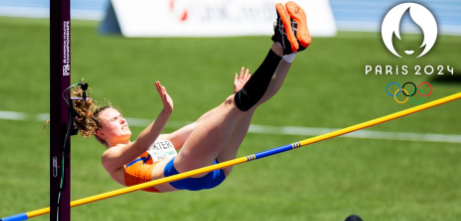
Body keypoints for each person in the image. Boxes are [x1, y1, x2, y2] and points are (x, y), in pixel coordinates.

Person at [73, 2, 311, 193]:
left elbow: (197, 128)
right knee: (235, 105)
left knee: (244, 104)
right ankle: (279, 44)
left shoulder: (160, 140)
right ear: (101, 133)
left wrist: (229, 107)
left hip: (214, 167)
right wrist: (165, 113)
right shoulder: (110, 158)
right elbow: (140, 146)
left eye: (120, 115)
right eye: (114, 120)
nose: (122, 119)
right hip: (185, 172)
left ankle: (289, 52)